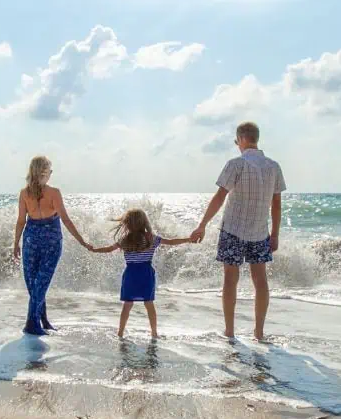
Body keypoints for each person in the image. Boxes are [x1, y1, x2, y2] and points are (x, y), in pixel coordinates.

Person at [190, 121, 286, 341]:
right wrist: (276, 234)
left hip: (233, 230)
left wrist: (202, 224)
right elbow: (277, 204)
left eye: (236, 141)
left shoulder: (236, 164)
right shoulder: (274, 166)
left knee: (230, 280)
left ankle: (230, 331)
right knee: (260, 281)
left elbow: (220, 197)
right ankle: (259, 333)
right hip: (260, 232)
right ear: (256, 138)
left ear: (241, 139)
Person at [13, 156, 91, 336]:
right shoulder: (53, 192)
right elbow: (65, 219)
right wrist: (82, 241)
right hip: (50, 240)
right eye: (50, 170)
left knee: (37, 283)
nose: (51, 173)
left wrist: (16, 243)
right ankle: (32, 323)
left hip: (32, 238)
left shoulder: (25, 193)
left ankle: (42, 320)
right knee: (38, 283)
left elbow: (20, 221)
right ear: (44, 172)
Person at [90, 208, 192, 339]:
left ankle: (120, 332)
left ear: (127, 224)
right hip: (146, 274)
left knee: (127, 305)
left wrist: (94, 250)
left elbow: (109, 249)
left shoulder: (124, 240)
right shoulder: (151, 238)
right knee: (149, 304)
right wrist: (189, 239)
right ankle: (154, 333)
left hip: (131, 274)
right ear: (144, 222)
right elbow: (171, 242)